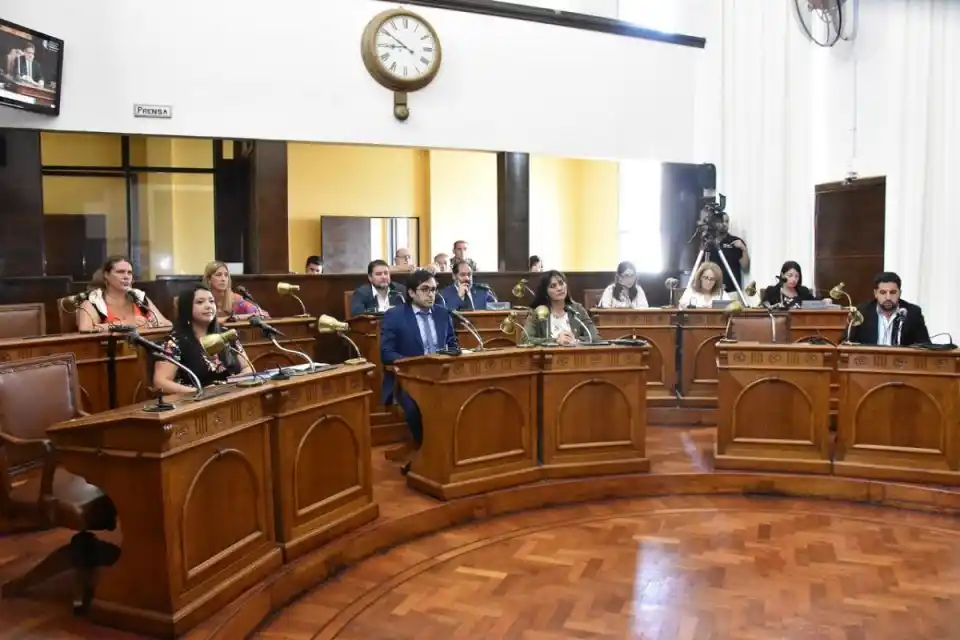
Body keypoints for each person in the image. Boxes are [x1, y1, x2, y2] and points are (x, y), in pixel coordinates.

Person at [380, 269, 459, 464]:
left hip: (442, 376)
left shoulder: (442, 313)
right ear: (411, 293)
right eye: (425, 289)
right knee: (417, 409)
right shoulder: (395, 315)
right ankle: (426, 453)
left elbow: (453, 343)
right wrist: (413, 366)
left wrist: (453, 353)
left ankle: (451, 452)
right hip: (409, 380)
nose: (430, 294)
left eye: (433, 290)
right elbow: (386, 352)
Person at [152, 285, 253, 395]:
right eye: (200, 302)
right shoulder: (174, 342)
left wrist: (235, 383)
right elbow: (160, 382)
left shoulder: (225, 334)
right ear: (187, 307)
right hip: (196, 403)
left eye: (211, 301)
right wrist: (199, 392)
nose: (208, 306)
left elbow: (248, 367)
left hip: (232, 396)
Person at [77, 255, 170, 332]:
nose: (126, 277)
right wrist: (125, 324)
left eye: (129, 273)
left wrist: (153, 324)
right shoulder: (94, 301)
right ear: (106, 275)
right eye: (120, 272)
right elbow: (85, 329)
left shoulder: (139, 298)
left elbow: (167, 324)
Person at [848, 272, 931, 346]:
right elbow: (846, 342)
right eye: (883, 292)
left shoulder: (913, 313)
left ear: (900, 293)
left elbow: (925, 345)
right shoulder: (862, 312)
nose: (888, 297)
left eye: (893, 292)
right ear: (875, 293)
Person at [523, 270, 599, 345]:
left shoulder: (578, 309)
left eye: (561, 283)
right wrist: (555, 341)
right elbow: (525, 339)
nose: (559, 288)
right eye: (553, 286)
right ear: (545, 292)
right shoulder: (538, 312)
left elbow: (595, 336)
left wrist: (575, 340)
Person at [701, 206, 749, 293]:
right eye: (721, 221)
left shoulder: (735, 241)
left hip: (732, 290)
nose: (724, 224)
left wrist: (743, 249)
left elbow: (745, 266)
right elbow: (702, 267)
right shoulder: (709, 243)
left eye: (727, 221)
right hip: (712, 290)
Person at [202, 261, 269, 320]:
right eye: (218, 275)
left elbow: (262, 315)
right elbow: (206, 321)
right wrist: (236, 318)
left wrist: (237, 317)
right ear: (209, 279)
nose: (223, 279)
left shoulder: (235, 299)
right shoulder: (201, 299)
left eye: (226, 275)